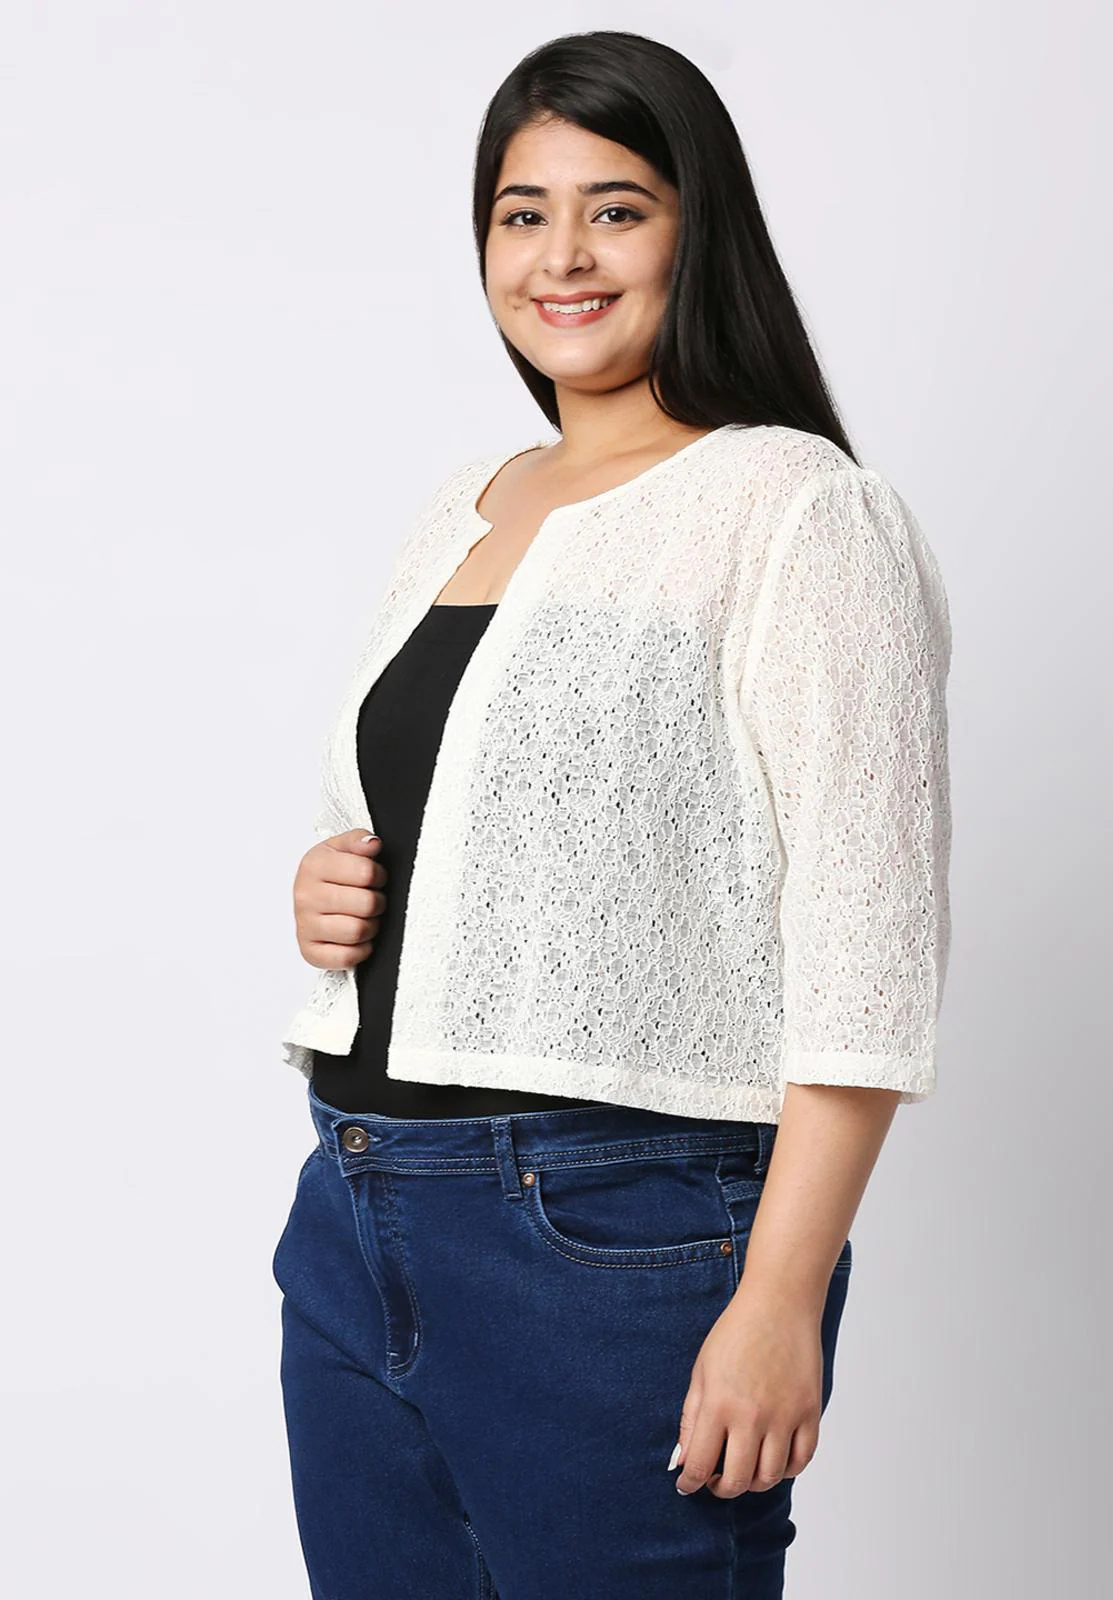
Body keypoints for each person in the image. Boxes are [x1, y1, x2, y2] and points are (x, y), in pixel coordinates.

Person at [271, 28, 953, 1600]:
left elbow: (865, 947)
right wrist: (331, 888)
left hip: (611, 1231)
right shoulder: (466, 503)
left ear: (697, 231)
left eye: (616, 209)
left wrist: (780, 1296)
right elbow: (478, 818)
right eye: (522, 213)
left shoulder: (797, 509)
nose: (561, 255)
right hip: (354, 1207)